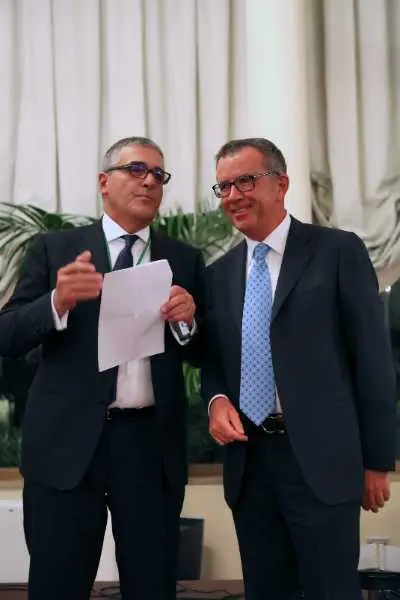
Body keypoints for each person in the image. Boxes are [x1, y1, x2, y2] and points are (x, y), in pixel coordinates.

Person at [0, 136, 206, 600]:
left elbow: (204, 352)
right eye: (136, 170)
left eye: (158, 175)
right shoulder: (55, 249)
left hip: (149, 445)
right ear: (103, 182)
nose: (149, 181)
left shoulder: (184, 259)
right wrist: (56, 302)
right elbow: (8, 335)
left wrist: (189, 322)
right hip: (67, 445)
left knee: (152, 586)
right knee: (58, 584)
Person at [201, 137, 396, 600]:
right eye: (224, 186)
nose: (233, 196)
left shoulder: (337, 251)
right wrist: (216, 399)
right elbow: (216, 360)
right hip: (251, 465)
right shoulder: (218, 274)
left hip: (321, 462)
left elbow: (372, 358)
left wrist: (377, 462)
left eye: (245, 181)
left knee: (331, 590)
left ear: (281, 183)